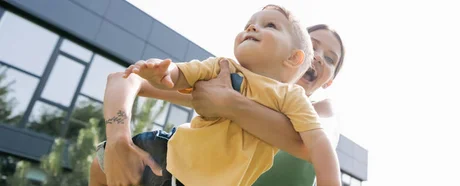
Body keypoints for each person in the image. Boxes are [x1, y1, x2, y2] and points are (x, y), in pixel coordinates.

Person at [92, 4, 340, 186]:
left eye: (329, 58)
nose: (317, 56)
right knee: (103, 163)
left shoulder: (319, 110)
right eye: (313, 45)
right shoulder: (225, 74)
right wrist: (118, 140)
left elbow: (315, 146)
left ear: (295, 57)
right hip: (173, 163)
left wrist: (228, 103)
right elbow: (129, 79)